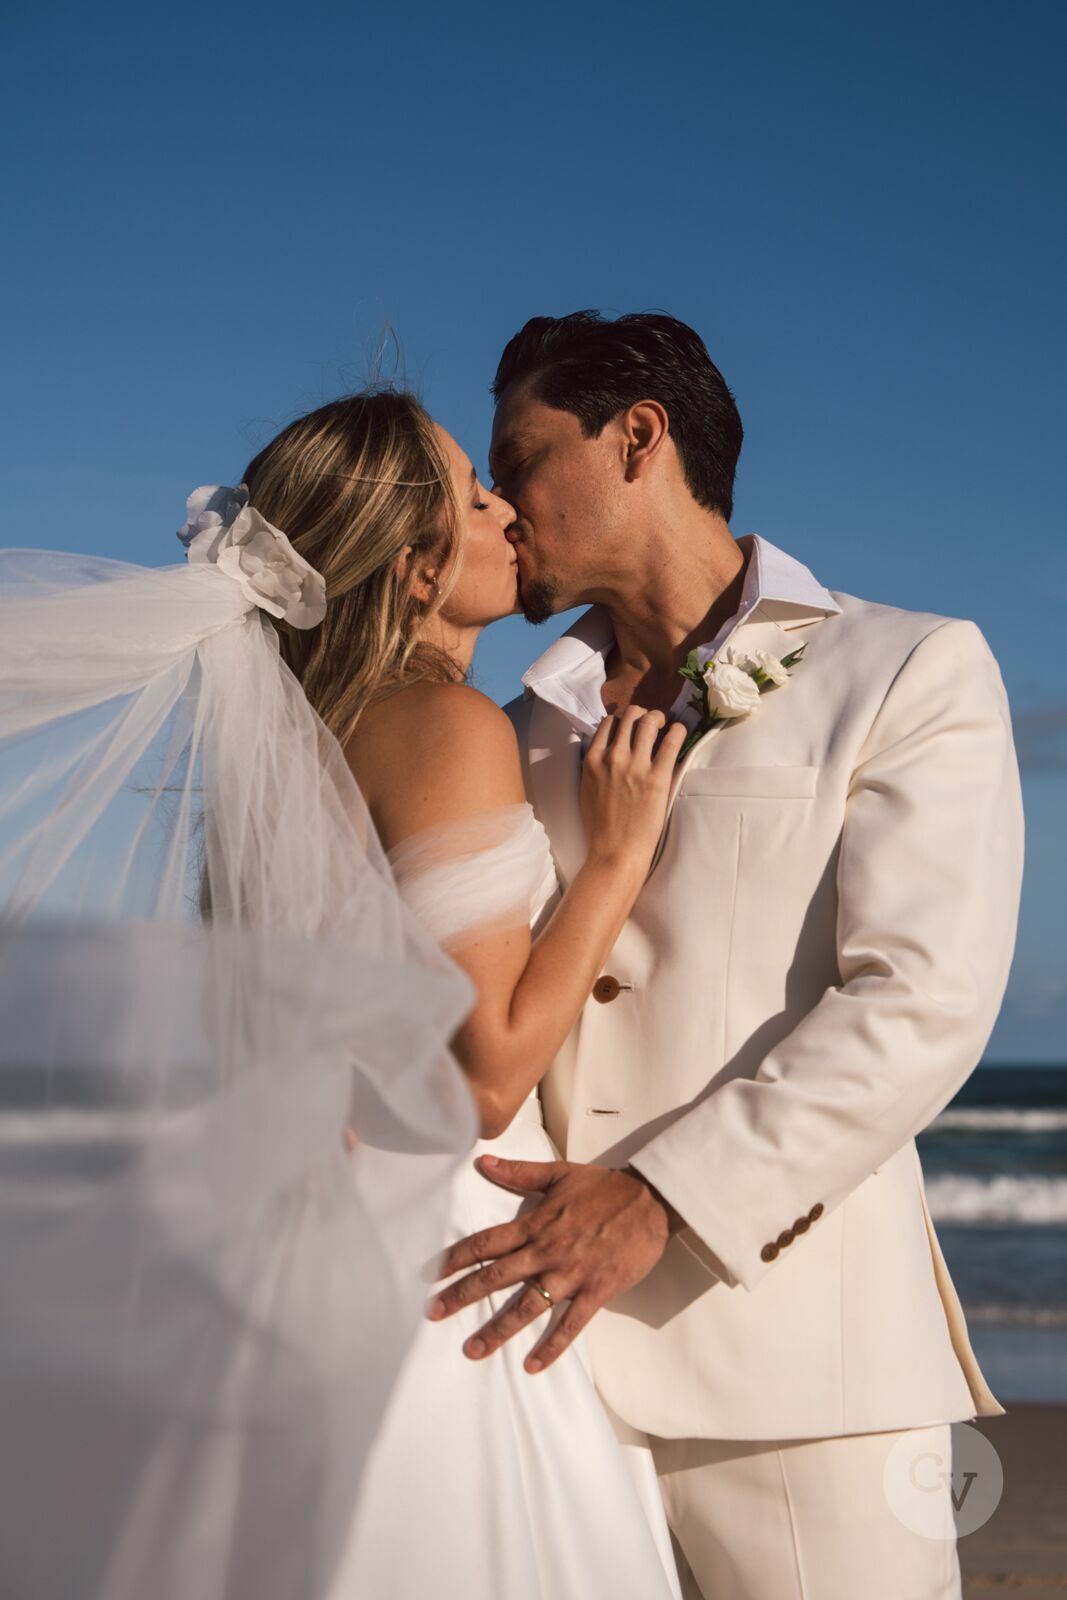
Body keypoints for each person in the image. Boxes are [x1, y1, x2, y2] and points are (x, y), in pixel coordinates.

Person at [0, 387, 686, 1600]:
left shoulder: (303, 739)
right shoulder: (445, 724)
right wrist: (619, 860)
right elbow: (479, 1074)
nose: (505, 514)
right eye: (474, 496)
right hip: (444, 1263)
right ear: (417, 571)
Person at [425, 311, 1026, 1600]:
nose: (502, 506)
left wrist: (662, 1196)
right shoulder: (507, 729)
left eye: (520, 458)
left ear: (635, 438)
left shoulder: (904, 668)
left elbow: (919, 1002)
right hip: (535, 1376)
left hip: (804, 1380)